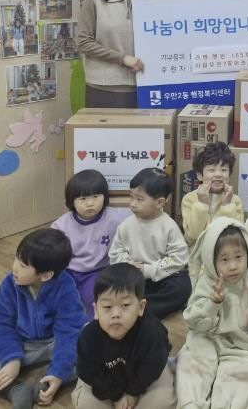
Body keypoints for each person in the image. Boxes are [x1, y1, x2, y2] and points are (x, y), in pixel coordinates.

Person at [0, 229, 85, 409]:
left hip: (54, 342)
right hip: (22, 344)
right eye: (16, 259)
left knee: (90, 345)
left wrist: (59, 373)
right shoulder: (9, 284)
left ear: (46, 275)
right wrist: (11, 359)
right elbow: (0, 325)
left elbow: (69, 333)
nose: (14, 268)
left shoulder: (66, 289)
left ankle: (49, 381)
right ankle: (14, 389)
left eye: (23, 265)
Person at [177, 218, 248, 408]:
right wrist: (212, 304)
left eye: (238, 257)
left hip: (240, 347)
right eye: (224, 259)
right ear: (211, 259)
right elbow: (193, 321)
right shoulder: (206, 282)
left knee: (243, 375)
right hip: (205, 340)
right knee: (191, 367)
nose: (232, 266)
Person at [72, 263, 176, 408]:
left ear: (141, 307)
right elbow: (89, 372)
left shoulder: (152, 332)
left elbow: (153, 366)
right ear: (96, 310)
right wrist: (116, 395)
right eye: (107, 307)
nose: (116, 314)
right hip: (103, 379)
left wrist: (133, 392)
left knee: (160, 401)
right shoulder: (89, 336)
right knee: (87, 403)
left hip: (144, 375)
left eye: (125, 305)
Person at [77, 0, 154, 108]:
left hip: (145, 86)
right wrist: (122, 59)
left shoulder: (150, 1)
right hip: (103, 88)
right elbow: (83, 42)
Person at [108, 168, 191, 319]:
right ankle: (136, 306)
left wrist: (149, 270)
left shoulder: (169, 226)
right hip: (133, 277)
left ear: (159, 202)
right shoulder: (126, 225)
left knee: (182, 287)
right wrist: (131, 266)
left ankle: (140, 309)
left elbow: (179, 259)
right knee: (109, 281)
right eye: (131, 197)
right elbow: (115, 254)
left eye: (139, 199)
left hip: (161, 277)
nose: (132, 204)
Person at [50, 169, 130, 319]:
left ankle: (95, 325)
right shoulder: (61, 225)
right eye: (82, 198)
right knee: (54, 296)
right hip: (68, 271)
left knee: (95, 299)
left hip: (97, 271)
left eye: (96, 196)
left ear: (105, 196)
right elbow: (52, 253)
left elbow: (138, 222)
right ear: (72, 201)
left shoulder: (116, 218)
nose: (90, 203)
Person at [181, 142, 244, 249]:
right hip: (198, 253)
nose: (218, 174)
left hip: (226, 251)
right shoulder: (189, 199)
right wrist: (201, 204)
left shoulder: (235, 200)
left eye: (224, 170)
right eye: (211, 170)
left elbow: (237, 235)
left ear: (229, 175)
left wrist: (227, 206)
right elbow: (192, 236)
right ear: (200, 175)